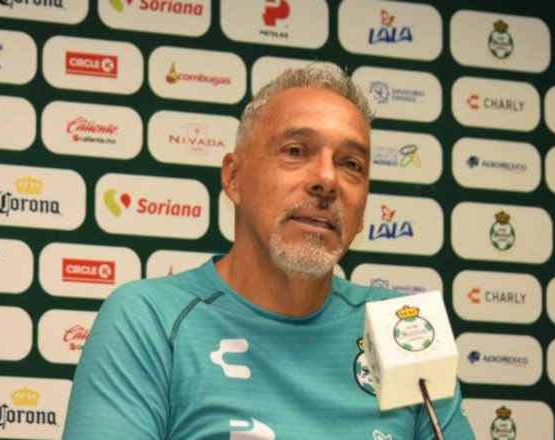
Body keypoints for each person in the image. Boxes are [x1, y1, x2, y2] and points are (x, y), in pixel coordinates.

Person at [63, 65, 476, 440]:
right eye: (296, 151)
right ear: (234, 178)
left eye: (351, 164)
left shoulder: (404, 329)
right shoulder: (149, 318)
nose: (327, 179)